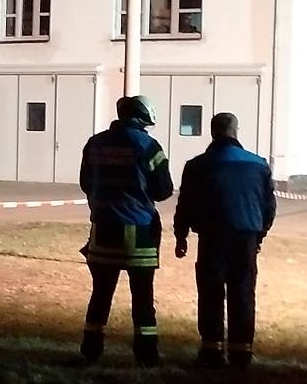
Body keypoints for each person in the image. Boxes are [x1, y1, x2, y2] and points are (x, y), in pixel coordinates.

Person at [173, 111, 277, 369]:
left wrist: (181, 235)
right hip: (245, 237)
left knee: (211, 291)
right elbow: (268, 206)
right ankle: (242, 352)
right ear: (236, 131)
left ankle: (211, 350)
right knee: (243, 292)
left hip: (211, 236)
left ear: (212, 132)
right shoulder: (258, 165)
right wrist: (260, 234)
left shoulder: (197, 165)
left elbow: (185, 203)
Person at [78, 94, 174, 366]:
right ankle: (146, 355)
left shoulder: (95, 143)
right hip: (138, 231)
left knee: (100, 295)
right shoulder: (148, 146)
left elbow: (85, 183)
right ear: (144, 116)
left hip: (102, 228)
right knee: (142, 297)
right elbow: (164, 189)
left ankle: (91, 351)